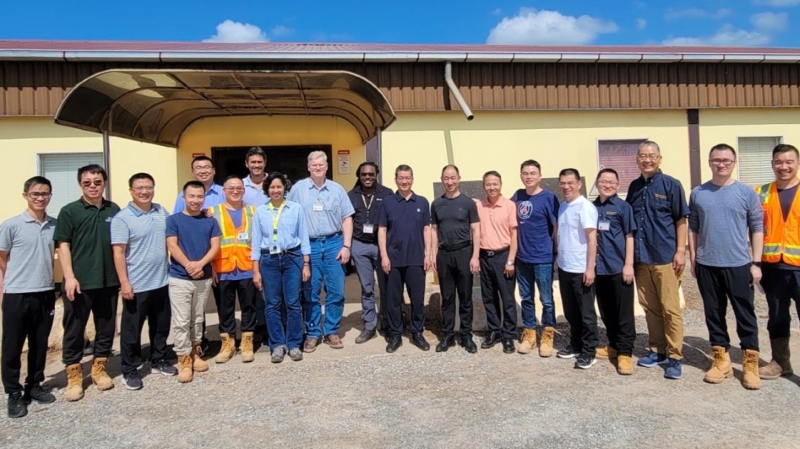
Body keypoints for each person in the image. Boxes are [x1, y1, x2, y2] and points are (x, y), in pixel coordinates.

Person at [689, 144, 764, 390]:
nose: (721, 164)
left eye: (726, 160)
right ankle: (721, 360)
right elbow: (694, 227)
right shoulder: (698, 193)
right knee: (713, 313)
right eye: (716, 160)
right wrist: (694, 259)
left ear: (734, 163)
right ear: (710, 162)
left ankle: (750, 361)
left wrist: (756, 262)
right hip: (707, 264)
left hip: (739, 264)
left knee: (745, 314)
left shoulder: (745, 192)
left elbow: (757, 228)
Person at [53, 164, 121, 402]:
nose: (93, 186)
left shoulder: (114, 209)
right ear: (80, 184)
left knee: (106, 327)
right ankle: (73, 375)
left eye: (97, 182)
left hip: (108, 280)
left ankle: (98, 369)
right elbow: (63, 245)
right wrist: (69, 277)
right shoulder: (70, 211)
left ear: (104, 183)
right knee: (74, 329)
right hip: (79, 282)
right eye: (87, 182)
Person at [626, 140, 689, 380]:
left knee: (671, 309)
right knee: (650, 307)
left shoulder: (671, 185)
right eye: (643, 156)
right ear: (637, 160)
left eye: (652, 156)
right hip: (642, 259)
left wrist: (680, 251)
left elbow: (681, 219)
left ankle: (675, 356)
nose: (647, 160)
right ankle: (657, 349)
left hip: (665, 258)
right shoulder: (634, 187)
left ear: (660, 158)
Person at [111, 173, 177, 392]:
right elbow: (118, 252)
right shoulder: (122, 218)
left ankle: (158, 359)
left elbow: (174, 233)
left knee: (160, 326)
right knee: (131, 330)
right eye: (139, 188)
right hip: (136, 284)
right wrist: (124, 282)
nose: (144, 191)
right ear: (131, 190)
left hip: (161, 280)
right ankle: (129, 369)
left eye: (148, 187)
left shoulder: (161, 212)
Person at [1, 177, 57, 418]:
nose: (40, 198)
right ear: (26, 195)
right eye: (35, 194)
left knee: (39, 343)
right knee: (12, 345)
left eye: (44, 194)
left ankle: (33, 385)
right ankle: (13, 393)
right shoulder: (11, 225)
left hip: (45, 291)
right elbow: (2, 258)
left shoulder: (55, 225)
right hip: (16, 293)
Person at [287, 151, 354, 352]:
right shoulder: (298, 189)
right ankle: (313, 333)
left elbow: (347, 219)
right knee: (311, 291)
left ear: (326, 167)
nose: (317, 168)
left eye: (321, 165)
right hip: (309, 245)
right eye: (313, 165)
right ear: (308, 167)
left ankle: (331, 331)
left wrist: (346, 246)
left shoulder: (337, 190)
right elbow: (290, 216)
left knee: (336, 290)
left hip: (334, 242)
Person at [166, 181, 221, 383]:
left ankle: (195, 352)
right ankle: (183, 358)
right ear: (184, 198)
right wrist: (189, 265)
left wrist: (201, 264)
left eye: (200, 196)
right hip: (180, 277)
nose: (196, 200)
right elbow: (172, 245)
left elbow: (215, 246)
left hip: (203, 277)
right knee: (181, 321)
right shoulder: (174, 220)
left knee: (197, 318)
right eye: (192, 196)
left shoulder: (210, 221)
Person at [252, 172, 311, 363]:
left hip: (292, 258)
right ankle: (277, 345)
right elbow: (256, 242)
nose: (276, 190)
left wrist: (306, 264)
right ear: (267, 189)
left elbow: (304, 237)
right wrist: (255, 270)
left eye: (279, 187)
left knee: (293, 303)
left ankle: (294, 344)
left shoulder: (296, 209)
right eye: (272, 187)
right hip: (269, 260)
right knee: (272, 304)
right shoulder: (260, 211)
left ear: (285, 188)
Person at [756, 144, 800, 381]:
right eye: (779, 162)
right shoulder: (761, 192)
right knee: (778, 316)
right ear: (772, 164)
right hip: (772, 267)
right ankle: (780, 362)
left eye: (789, 162)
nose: (784, 166)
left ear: (797, 163)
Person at [378, 165, 432, 353]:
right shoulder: (387, 202)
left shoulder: (423, 202)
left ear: (412, 179)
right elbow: (382, 230)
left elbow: (427, 229)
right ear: (396, 180)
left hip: (417, 259)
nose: (404, 181)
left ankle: (417, 332)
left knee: (417, 298)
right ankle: (395, 334)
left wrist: (429, 254)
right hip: (392, 260)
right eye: (401, 178)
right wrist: (384, 255)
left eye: (407, 177)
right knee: (393, 300)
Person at [512, 159, 560, 357]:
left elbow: (556, 227)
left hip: (542, 257)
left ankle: (547, 334)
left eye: (532, 173)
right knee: (526, 298)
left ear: (540, 176)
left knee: (546, 299)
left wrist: (555, 251)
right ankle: (530, 333)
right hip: (522, 257)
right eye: (525, 173)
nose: (529, 176)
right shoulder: (517, 196)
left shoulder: (549, 198)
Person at [430, 165, 480, 353]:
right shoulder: (436, 204)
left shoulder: (468, 203)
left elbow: (476, 229)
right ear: (442, 180)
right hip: (444, 254)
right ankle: (448, 335)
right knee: (448, 297)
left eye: (453, 178)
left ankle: (466, 335)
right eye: (446, 178)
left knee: (465, 297)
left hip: (464, 253)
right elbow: (434, 230)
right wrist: (433, 253)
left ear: (459, 178)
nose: (449, 182)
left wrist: (475, 256)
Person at [210, 177, 259, 364]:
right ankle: (227, 343)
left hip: (247, 268)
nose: (235, 191)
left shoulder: (253, 212)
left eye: (239, 188)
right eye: (231, 188)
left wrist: (257, 270)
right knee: (224, 308)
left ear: (244, 190)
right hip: (222, 268)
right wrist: (211, 267)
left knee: (249, 307)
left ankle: (247, 343)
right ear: (224, 190)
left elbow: (257, 241)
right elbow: (209, 242)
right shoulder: (212, 212)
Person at [592, 169, 637, 375]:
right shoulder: (592, 207)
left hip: (619, 268)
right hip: (599, 269)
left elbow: (629, 236)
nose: (607, 185)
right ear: (597, 183)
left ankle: (625, 353)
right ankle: (613, 345)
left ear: (618, 185)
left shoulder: (623, 207)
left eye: (611, 182)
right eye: (603, 181)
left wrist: (629, 265)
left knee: (624, 313)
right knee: (606, 310)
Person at [555, 169, 599, 369]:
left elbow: (592, 239)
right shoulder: (563, 206)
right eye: (563, 183)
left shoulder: (586, 207)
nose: (566, 186)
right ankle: (576, 344)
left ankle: (589, 351)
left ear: (579, 183)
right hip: (565, 267)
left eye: (570, 182)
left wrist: (590, 268)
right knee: (571, 312)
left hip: (581, 269)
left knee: (586, 313)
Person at [347, 162, 393, 343]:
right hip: (360, 246)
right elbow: (346, 220)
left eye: (371, 174)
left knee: (386, 286)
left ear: (376, 175)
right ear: (359, 175)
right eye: (364, 174)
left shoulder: (387, 194)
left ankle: (388, 323)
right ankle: (369, 325)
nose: (367, 177)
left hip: (382, 246)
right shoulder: (351, 195)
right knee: (367, 288)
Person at [475, 171, 519, 354]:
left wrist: (510, 260)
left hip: (503, 256)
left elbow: (514, 235)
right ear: (483, 186)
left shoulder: (509, 205)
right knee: (488, 297)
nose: (492, 187)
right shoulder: (479, 206)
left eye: (495, 184)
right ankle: (494, 331)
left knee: (507, 298)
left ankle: (509, 335)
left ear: (500, 184)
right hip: (485, 256)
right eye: (488, 184)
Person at [240, 147, 269, 342]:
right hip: (246, 245)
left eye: (259, 162)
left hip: (271, 243)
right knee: (252, 287)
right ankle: (257, 325)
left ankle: (271, 325)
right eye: (253, 162)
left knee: (270, 287)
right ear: (247, 164)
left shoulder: (274, 183)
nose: (256, 165)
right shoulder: (239, 186)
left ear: (264, 163)